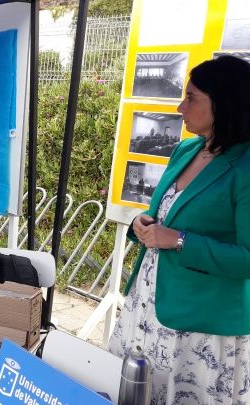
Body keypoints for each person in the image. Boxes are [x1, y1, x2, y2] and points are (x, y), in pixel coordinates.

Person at [108, 55, 250, 404]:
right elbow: (165, 213)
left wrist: (180, 241)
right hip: (148, 304)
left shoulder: (245, 167)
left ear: (225, 103)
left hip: (199, 324)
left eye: (191, 98)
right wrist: (142, 223)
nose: (180, 107)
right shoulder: (187, 149)